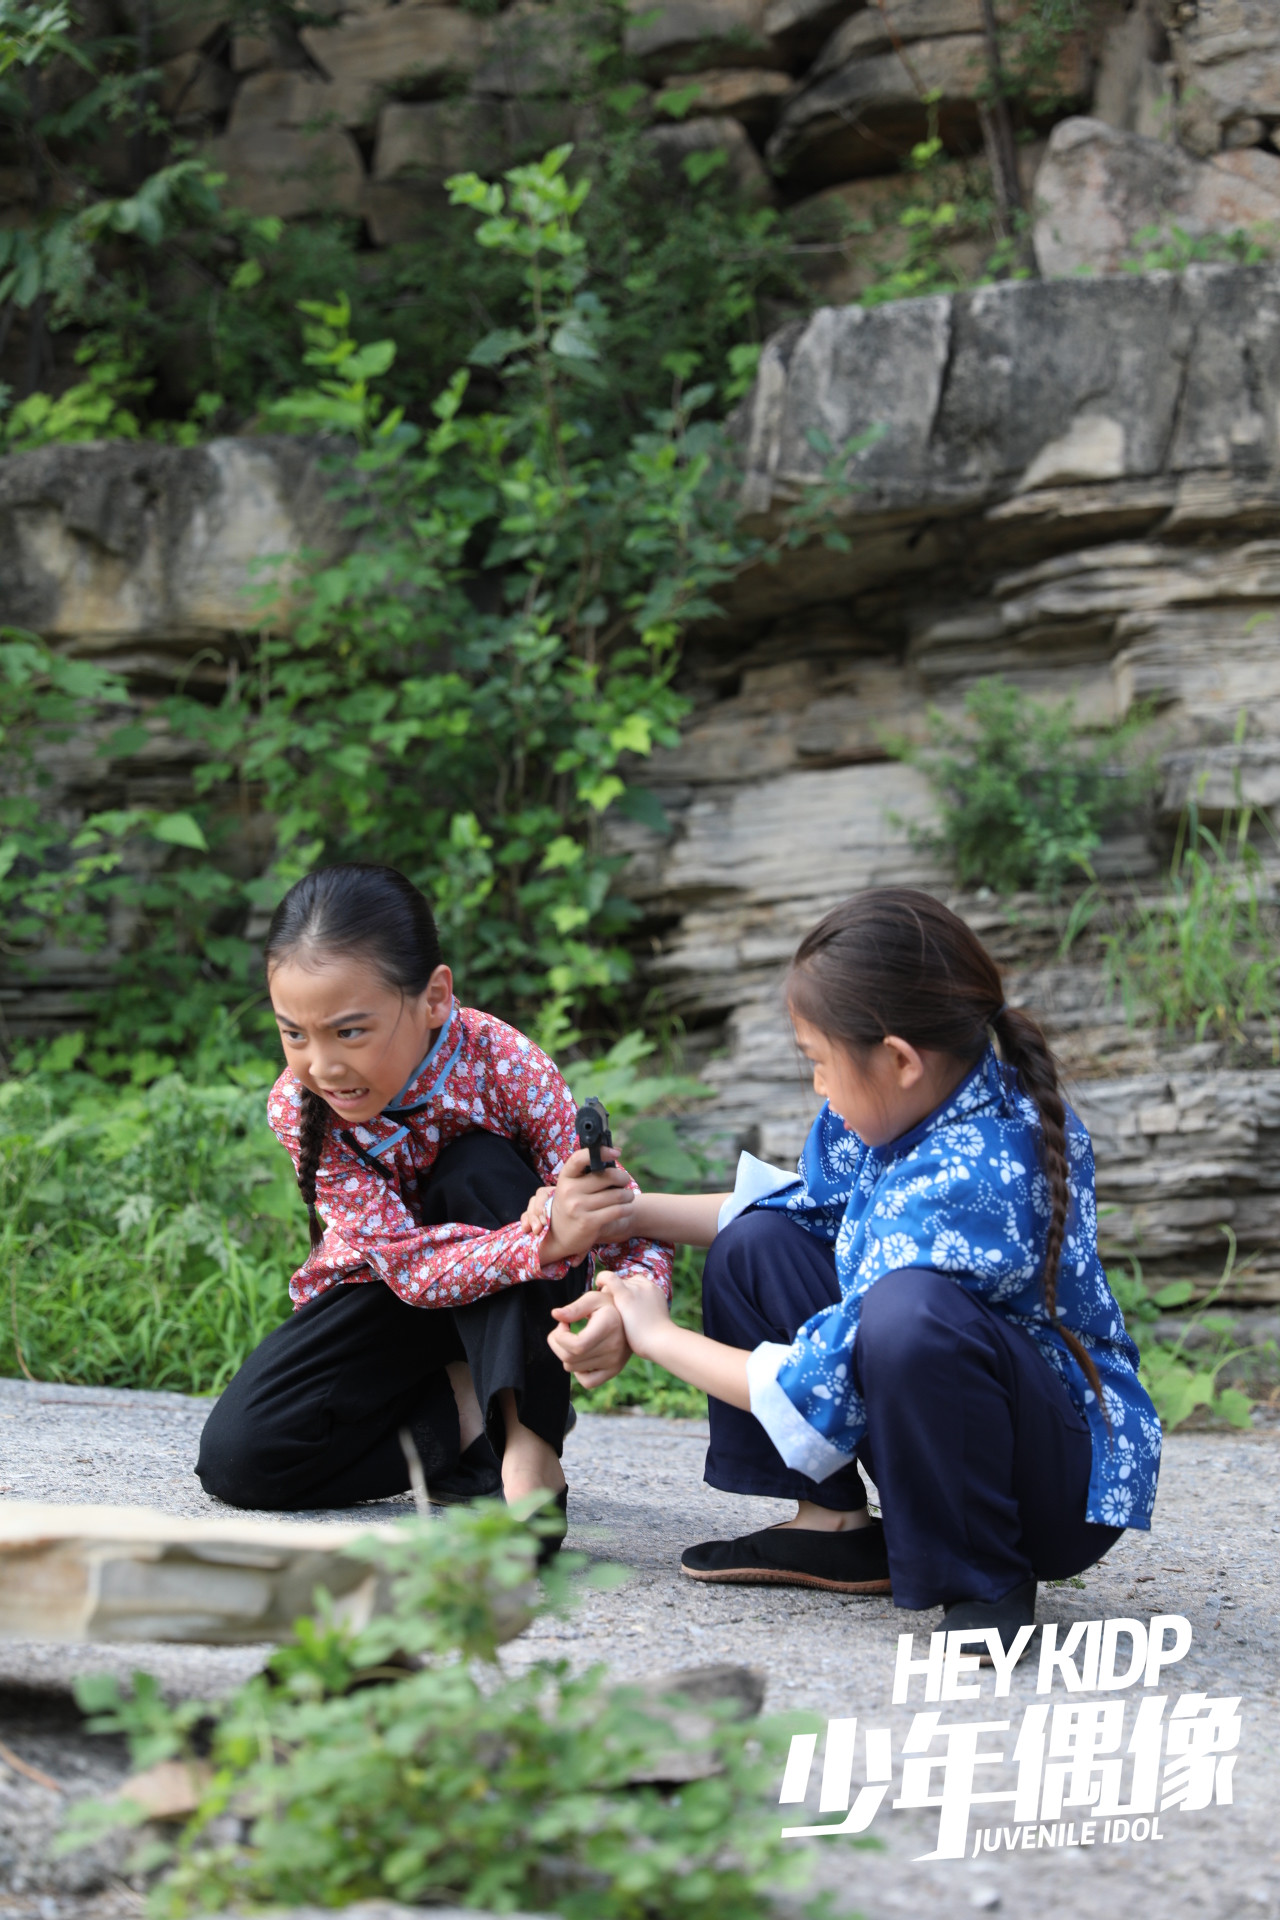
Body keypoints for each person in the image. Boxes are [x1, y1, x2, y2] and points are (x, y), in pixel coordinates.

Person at [539, 888, 1161, 1644]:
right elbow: (799, 1207)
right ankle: (832, 1524)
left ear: (898, 1058)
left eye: (820, 1063)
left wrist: (652, 1332)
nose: (818, 1086)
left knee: (909, 1316)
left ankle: (986, 1579)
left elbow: (817, 1370)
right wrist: (629, 1213)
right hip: (965, 1424)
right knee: (759, 1242)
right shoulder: (914, 1099)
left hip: (1048, 1489)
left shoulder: (975, 1172)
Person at [196, 862, 668, 1519]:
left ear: (435, 996)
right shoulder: (300, 1105)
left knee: (479, 1167)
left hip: (513, 1305)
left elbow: (619, 1210)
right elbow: (413, 1271)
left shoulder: (504, 1064)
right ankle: (467, 1421)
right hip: (391, 1289)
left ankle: (528, 1451)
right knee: (239, 1460)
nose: (323, 1065)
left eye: (350, 1031)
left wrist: (627, 1303)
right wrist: (543, 1239)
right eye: (294, 1034)